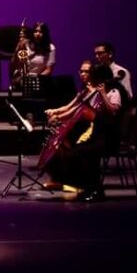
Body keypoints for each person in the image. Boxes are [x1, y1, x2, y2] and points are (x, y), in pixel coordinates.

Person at [42, 63, 123, 202]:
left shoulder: (114, 92)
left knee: (80, 153)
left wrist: (103, 94)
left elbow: (113, 111)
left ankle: (95, 189)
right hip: (98, 135)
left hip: (109, 137)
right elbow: (78, 109)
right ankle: (88, 187)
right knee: (75, 152)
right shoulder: (94, 92)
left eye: (94, 77)